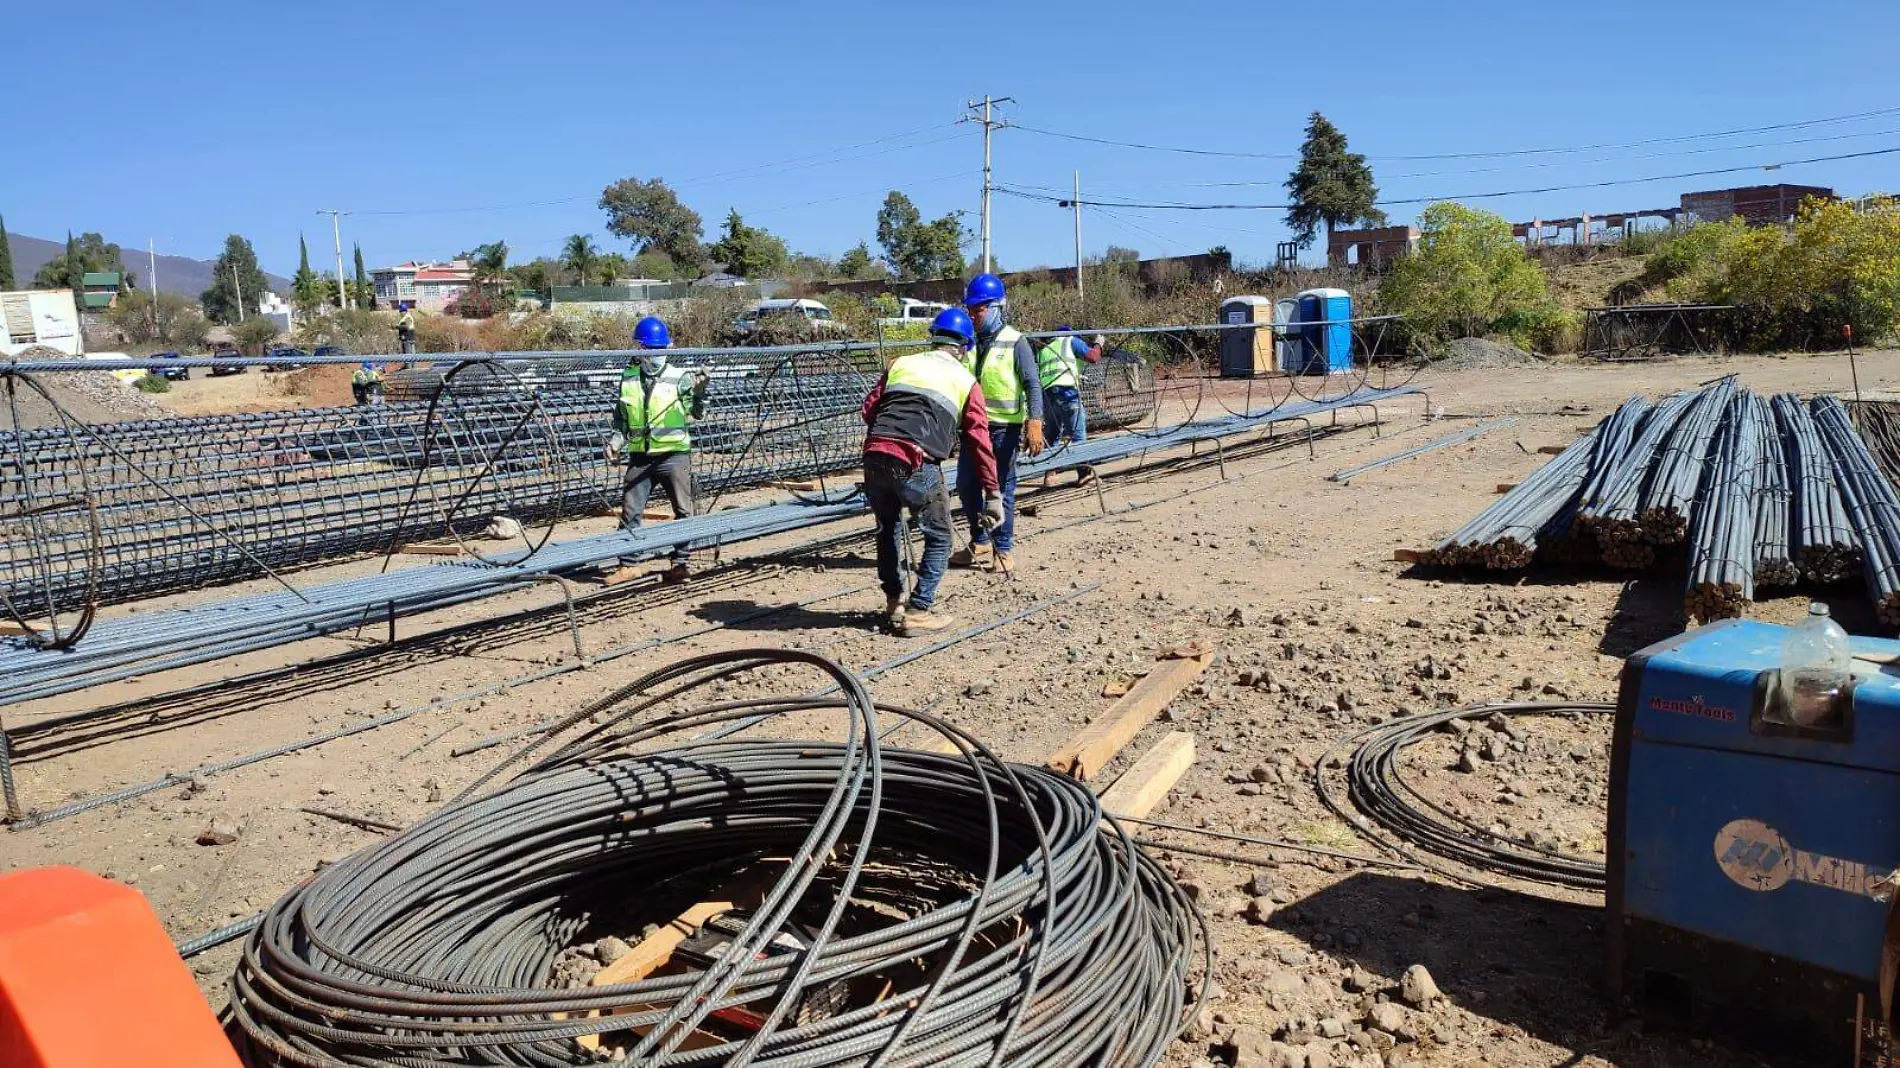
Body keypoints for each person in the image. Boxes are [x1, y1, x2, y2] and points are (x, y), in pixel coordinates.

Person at [862, 308, 1002, 635]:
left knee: (888, 528)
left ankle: (893, 602)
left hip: (875, 455)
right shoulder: (966, 381)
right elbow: (979, 441)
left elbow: (868, 409)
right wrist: (993, 493)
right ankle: (919, 610)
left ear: (932, 338)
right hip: (916, 461)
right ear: (965, 347)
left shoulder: (901, 364)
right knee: (939, 536)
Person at [949, 273, 1044, 575]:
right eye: (971, 310)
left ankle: (1003, 549)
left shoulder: (1016, 342)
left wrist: (1035, 420)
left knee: (1001, 488)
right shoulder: (970, 343)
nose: (973, 315)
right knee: (966, 485)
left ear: (997, 308)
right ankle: (980, 542)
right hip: (973, 429)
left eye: (979, 309)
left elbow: (1032, 383)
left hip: (1004, 430)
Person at [606, 316, 707, 585]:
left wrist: (699, 393)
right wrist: (615, 441)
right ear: (639, 349)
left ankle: (680, 564)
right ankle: (628, 564)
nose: (654, 355)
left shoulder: (679, 377)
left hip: (674, 455)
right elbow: (621, 418)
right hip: (640, 457)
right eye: (649, 349)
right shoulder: (627, 379)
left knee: (683, 511)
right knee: (630, 511)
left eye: (659, 349)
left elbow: (695, 414)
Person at [1036, 324, 1104, 484]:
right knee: (1078, 434)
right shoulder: (1070, 341)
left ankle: (1050, 475)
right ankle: (1085, 474)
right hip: (1067, 393)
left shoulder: (1044, 350)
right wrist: (1098, 344)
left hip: (1047, 397)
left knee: (1052, 436)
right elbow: (1093, 357)